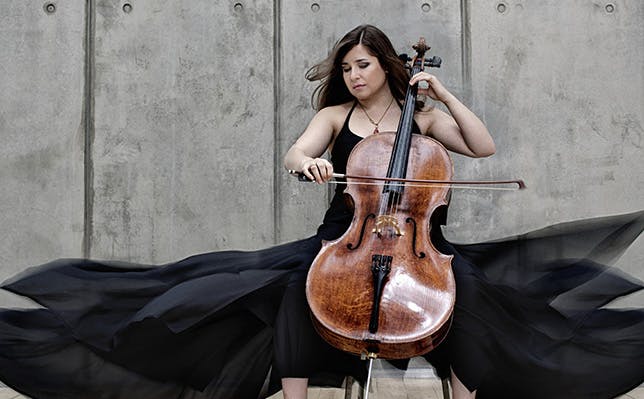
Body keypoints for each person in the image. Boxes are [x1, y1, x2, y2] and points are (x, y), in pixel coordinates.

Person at [0, 24, 642, 399]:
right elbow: (296, 152)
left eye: (363, 66)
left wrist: (440, 89)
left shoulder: (425, 120)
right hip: (343, 239)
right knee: (292, 292)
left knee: (470, 297)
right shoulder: (335, 115)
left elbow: (483, 145)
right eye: (347, 67)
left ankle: (462, 390)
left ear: (387, 66)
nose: (354, 75)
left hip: (422, 249)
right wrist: (304, 164)